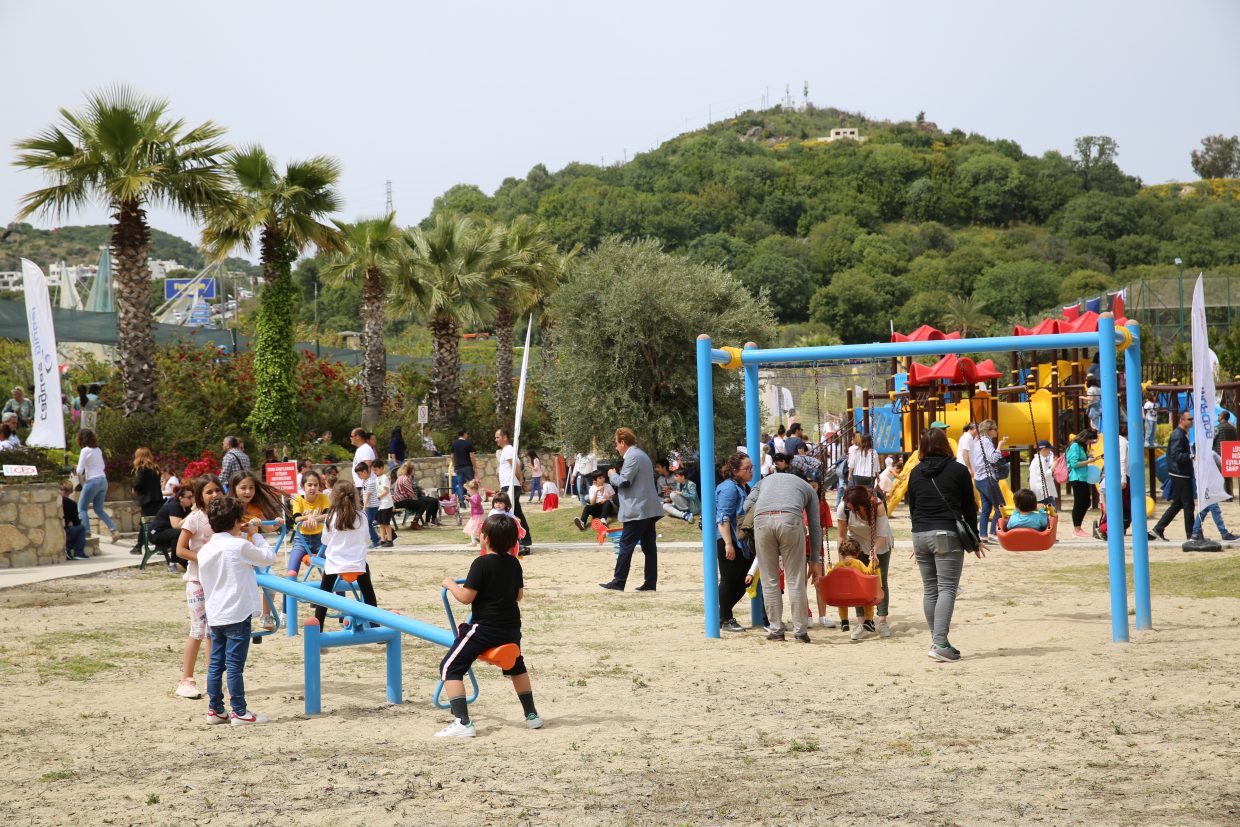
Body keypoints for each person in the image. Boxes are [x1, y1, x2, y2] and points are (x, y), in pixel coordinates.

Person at [436, 513, 543, 737]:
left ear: (485, 538)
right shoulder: (514, 563)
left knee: (449, 667)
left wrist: (450, 584)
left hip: (484, 630)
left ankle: (463, 723)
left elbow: (466, 598)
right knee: (516, 666)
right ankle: (532, 715)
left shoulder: (481, 563)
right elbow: (519, 595)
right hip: (511, 629)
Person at [197, 495, 276, 726]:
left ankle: (215, 710)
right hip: (238, 613)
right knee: (234, 666)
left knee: (215, 664)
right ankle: (240, 712)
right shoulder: (239, 545)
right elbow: (268, 558)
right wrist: (255, 534)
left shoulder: (205, 550)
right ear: (235, 522)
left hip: (216, 613)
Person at [906, 428, 983, 663]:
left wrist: (918, 537)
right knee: (947, 588)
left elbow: (913, 507)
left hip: (920, 534)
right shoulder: (958, 470)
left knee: (930, 590)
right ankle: (940, 643)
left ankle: (938, 642)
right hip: (946, 534)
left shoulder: (915, 472)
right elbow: (969, 507)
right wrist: (975, 539)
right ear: (946, 445)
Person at [743, 456, 823, 643]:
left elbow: (746, 506)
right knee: (795, 579)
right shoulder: (807, 489)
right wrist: (815, 560)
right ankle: (800, 632)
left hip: (762, 522)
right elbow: (815, 526)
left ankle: (776, 630)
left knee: (769, 579)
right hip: (790, 521)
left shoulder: (765, 481)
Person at [175, 474, 224, 699]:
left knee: (213, 632)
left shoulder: (223, 517)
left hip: (217, 581)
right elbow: (180, 550)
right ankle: (186, 679)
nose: (214, 495)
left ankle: (212, 678)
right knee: (197, 630)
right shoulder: (194, 519)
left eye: (217, 490)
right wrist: (203, 558)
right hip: (197, 580)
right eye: (209, 492)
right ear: (200, 496)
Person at [599, 428, 663, 591]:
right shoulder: (641, 455)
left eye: (616, 444)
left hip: (637, 509)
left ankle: (618, 581)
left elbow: (624, 482)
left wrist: (612, 475)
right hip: (648, 508)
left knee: (626, 544)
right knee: (649, 547)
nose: (616, 447)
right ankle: (650, 582)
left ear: (622, 442)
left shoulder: (632, 456)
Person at [314, 480, 380, 626]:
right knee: (369, 594)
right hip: (357, 565)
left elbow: (325, 541)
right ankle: (376, 626)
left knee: (323, 597)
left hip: (335, 565)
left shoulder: (330, 517)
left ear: (334, 497)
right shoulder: (362, 516)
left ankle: (318, 628)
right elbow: (367, 539)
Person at [836, 484, 894, 639]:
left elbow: (882, 535)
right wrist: (842, 560)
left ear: (861, 504)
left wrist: (874, 550)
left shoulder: (878, 506)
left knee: (880, 580)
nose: (849, 507)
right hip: (856, 545)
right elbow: (841, 535)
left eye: (852, 506)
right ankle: (861, 622)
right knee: (857, 581)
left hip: (880, 544)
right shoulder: (844, 507)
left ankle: (882, 621)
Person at [715, 453, 754, 633]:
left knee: (743, 581)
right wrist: (728, 543)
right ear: (735, 470)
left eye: (751, 467)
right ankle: (726, 618)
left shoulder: (745, 487)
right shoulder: (729, 488)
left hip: (742, 542)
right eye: (747, 468)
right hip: (729, 540)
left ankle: (720, 615)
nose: (751, 471)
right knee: (729, 580)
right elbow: (723, 517)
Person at [74, 429, 119, 544]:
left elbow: (79, 470)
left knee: (81, 508)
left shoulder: (85, 450)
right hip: (103, 480)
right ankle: (113, 530)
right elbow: (102, 465)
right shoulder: (98, 450)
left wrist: (75, 469)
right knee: (99, 509)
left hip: (92, 481)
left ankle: (86, 532)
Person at [831, 538, 880, 639]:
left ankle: (844, 621)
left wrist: (828, 567)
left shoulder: (838, 565)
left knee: (842, 603)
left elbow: (830, 575)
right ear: (857, 553)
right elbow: (868, 572)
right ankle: (868, 620)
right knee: (869, 602)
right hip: (859, 595)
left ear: (842, 553)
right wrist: (872, 563)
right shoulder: (858, 563)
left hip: (843, 596)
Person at [495, 428, 533, 554]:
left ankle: (516, 542)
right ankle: (525, 539)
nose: (496, 440)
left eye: (497, 437)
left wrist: (521, 481)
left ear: (505, 437)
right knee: (516, 513)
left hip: (510, 486)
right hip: (509, 485)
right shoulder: (507, 450)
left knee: (507, 513)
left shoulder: (508, 449)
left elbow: (515, 466)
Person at [970, 419, 1007, 542]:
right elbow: (993, 458)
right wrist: (1000, 446)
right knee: (1000, 506)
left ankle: (983, 535)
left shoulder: (978, 441)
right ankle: (993, 533)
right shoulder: (986, 442)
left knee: (986, 508)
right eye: (995, 429)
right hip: (987, 478)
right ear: (988, 430)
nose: (997, 431)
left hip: (979, 479)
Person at [288, 470, 330, 575]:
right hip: (302, 540)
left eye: (316, 485)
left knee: (332, 566)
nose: (313, 488)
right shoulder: (298, 499)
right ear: (303, 487)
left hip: (320, 539)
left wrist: (314, 519)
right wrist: (308, 517)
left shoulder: (323, 497)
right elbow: (296, 519)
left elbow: (328, 515)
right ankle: (290, 584)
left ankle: (336, 585)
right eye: (309, 485)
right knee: (292, 570)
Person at [1190, 450, 1239, 541]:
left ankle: (1195, 534)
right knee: (1214, 509)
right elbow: (1222, 463)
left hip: (1203, 487)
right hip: (1209, 487)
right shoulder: (1210, 453)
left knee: (1204, 510)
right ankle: (1224, 533)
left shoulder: (1196, 455)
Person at [1065, 428, 1099, 539]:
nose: (1089, 443)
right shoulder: (1075, 445)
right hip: (1077, 478)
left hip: (1083, 478)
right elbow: (1074, 464)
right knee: (1079, 503)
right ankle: (1077, 529)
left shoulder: (1080, 446)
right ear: (1085, 438)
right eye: (1090, 440)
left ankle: (1078, 528)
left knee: (1086, 503)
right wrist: (1089, 461)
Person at [130, 447, 164, 555]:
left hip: (147, 500)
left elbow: (140, 483)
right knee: (153, 523)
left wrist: (134, 488)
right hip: (157, 499)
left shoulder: (141, 468)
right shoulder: (155, 468)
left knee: (144, 523)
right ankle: (142, 545)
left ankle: (139, 546)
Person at [150, 485, 194, 567]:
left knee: (185, 533)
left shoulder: (186, 508)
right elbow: (176, 526)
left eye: (192, 497)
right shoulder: (174, 506)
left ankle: (186, 561)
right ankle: (173, 562)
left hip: (168, 532)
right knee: (180, 533)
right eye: (189, 497)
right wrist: (192, 513)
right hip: (156, 533)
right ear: (180, 498)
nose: (191, 500)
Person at [355, 461, 380, 548]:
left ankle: (375, 541)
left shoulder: (370, 482)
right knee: (371, 523)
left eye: (359, 474)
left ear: (365, 472)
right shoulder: (366, 481)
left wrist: (364, 507)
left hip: (372, 506)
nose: (358, 476)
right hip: (370, 506)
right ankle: (378, 539)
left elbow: (368, 497)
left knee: (368, 524)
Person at [61, 480, 88, 560]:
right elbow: (76, 522)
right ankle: (78, 553)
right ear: (71, 491)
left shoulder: (55, 501)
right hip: (64, 531)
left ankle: (68, 551)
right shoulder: (72, 504)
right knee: (81, 528)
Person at [371, 459, 395, 547]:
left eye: (376, 470)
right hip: (380, 505)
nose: (374, 472)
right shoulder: (377, 478)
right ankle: (382, 539)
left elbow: (386, 491)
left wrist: (378, 497)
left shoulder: (385, 478)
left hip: (386, 504)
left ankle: (390, 540)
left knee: (386, 523)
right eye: (373, 470)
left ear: (381, 468)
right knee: (381, 523)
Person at [449, 429, 477, 506]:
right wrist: (475, 467)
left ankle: (462, 503)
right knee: (472, 484)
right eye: (466, 434)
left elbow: (452, 456)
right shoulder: (468, 443)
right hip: (467, 466)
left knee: (460, 485)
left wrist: (454, 465)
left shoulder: (454, 443)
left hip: (458, 467)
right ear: (464, 434)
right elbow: (472, 456)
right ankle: (474, 501)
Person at [1215, 411, 1238, 497]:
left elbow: (1212, 440)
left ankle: (1223, 494)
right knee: (1228, 476)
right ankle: (1230, 493)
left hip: (1219, 454)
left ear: (1222, 417)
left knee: (1220, 476)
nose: (1218, 416)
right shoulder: (1233, 428)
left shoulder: (1217, 428)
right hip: (1229, 453)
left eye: (1219, 415)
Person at [1029, 440, 1056, 508]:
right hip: (1043, 491)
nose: (1050, 452)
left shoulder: (1036, 460)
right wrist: (1053, 466)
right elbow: (1045, 475)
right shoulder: (1040, 460)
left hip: (1038, 491)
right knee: (1052, 510)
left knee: (1042, 511)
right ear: (1043, 449)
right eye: (1049, 449)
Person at [350, 428, 377, 492]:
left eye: (352, 436)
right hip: (361, 485)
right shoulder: (361, 449)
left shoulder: (365, 449)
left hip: (364, 486)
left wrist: (364, 487)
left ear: (358, 437)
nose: (350, 438)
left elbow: (367, 467)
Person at [462, 479, 486, 545]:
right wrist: (467, 502)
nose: (468, 492)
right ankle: (476, 540)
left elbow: (475, 504)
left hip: (477, 515)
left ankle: (474, 542)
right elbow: (472, 505)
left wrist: (469, 499)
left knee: (473, 528)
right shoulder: (474, 496)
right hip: (475, 515)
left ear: (473, 490)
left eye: (469, 490)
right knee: (474, 529)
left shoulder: (476, 496)